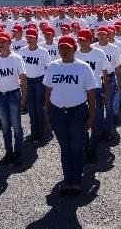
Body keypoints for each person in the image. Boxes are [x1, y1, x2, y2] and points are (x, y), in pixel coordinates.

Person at [43, 35, 96, 197]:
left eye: (68, 48)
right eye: (62, 47)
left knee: (77, 148)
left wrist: (92, 115)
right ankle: (68, 181)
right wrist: (47, 112)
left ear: (74, 49)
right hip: (58, 113)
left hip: (77, 113)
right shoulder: (53, 67)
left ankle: (77, 182)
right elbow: (48, 91)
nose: (64, 51)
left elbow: (91, 93)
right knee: (65, 148)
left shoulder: (84, 67)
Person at [0, 32, 26, 166]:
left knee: (16, 126)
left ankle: (19, 154)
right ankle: (8, 153)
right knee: (5, 127)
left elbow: (22, 79)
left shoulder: (17, 58)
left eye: (4, 41)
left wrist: (24, 97)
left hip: (13, 95)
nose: (1, 43)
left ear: (9, 43)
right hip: (0, 96)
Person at [75, 29, 109, 163]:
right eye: (80, 40)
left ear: (90, 40)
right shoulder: (76, 54)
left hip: (95, 90)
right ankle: (85, 147)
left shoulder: (99, 53)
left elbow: (105, 73)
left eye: (84, 40)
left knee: (96, 121)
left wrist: (106, 91)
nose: (82, 43)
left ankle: (93, 149)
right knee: (82, 121)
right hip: (80, 92)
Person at [18, 28, 50, 142]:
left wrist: (47, 84)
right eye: (27, 37)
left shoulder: (43, 51)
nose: (29, 39)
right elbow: (20, 68)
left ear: (36, 38)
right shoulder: (22, 51)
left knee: (39, 107)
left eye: (31, 37)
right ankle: (34, 133)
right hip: (27, 81)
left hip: (39, 81)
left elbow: (48, 68)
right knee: (31, 107)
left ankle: (40, 133)